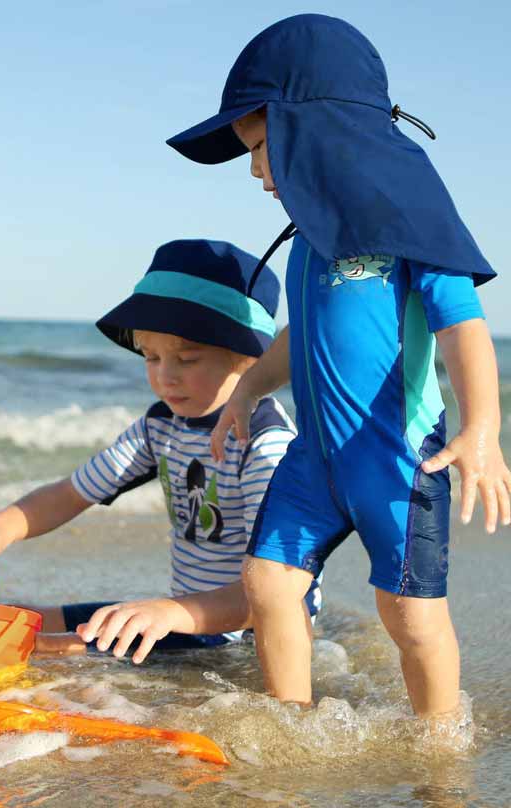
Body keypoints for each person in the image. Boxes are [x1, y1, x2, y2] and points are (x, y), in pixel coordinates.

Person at [166, 14, 511, 717]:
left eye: (261, 148)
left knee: (410, 616)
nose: (258, 172)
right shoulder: (312, 243)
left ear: (315, 131)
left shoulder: (410, 218)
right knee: (266, 583)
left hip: (396, 458)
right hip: (315, 458)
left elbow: (461, 323)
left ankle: (440, 746)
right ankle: (293, 722)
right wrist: (247, 390)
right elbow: (301, 336)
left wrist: (482, 427)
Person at [0, 238, 321, 662]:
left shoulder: (265, 443)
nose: (165, 377)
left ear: (250, 359)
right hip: (186, 615)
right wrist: (0, 529)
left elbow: (274, 593)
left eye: (187, 359)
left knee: (48, 649)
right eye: (151, 357)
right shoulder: (161, 425)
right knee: (17, 618)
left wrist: (168, 611)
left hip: (251, 633)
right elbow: (70, 493)